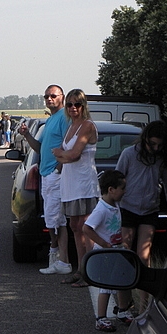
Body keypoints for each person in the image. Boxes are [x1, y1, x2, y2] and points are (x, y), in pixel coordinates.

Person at [115, 120, 167, 308]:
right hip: (128, 208)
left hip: (149, 211)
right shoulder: (129, 154)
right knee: (125, 255)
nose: (155, 148)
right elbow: (116, 180)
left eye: (159, 145)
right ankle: (123, 304)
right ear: (144, 139)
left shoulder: (162, 159)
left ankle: (144, 304)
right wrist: (110, 210)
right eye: (152, 144)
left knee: (143, 257)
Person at [18, 85, 72, 275]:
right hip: (46, 174)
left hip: (54, 176)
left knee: (56, 220)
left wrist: (58, 170)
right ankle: (58, 258)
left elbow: (69, 146)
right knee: (53, 220)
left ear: (62, 97)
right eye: (46, 96)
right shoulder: (50, 121)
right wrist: (27, 135)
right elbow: (40, 149)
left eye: (53, 96)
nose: (49, 99)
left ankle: (59, 258)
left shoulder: (64, 118)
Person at [52, 89, 99, 287]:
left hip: (84, 186)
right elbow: (67, 156)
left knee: (86, 229)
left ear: (83, 106)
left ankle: (91, 272)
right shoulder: (72, 126)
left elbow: (74, 155)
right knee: (75, 228)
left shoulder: (87, 126)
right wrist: (63, 155)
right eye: (69, 104)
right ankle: (81, 270)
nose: (73, 108)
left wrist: (60, 153)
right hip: (70, 186)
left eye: (77, 104)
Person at [83, 170, 134, 331]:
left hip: (116, 251)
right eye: (122, 188)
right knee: (105, 285)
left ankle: (123, 310)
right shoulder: (101, 209)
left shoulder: (114, 205)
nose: (124, 191)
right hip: (105, 253)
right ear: (111, 189)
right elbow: (87, 228)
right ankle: (101, 317)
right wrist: (104, 244)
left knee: (122, 281)